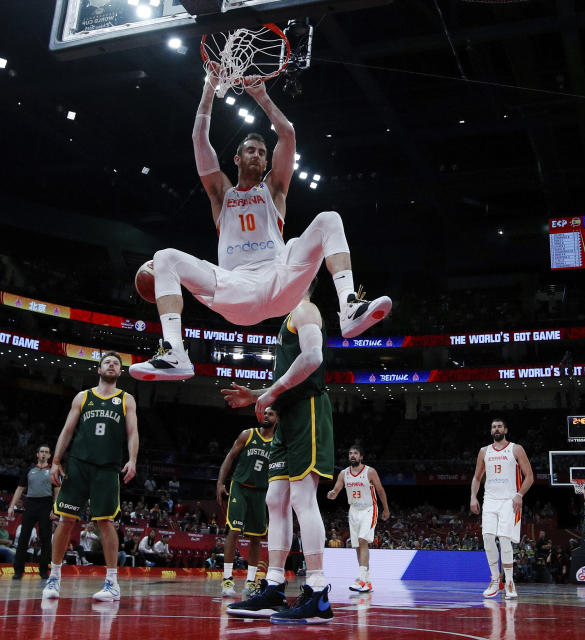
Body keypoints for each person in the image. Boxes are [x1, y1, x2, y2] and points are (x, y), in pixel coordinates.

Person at [128, 72, 391, 383]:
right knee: (165, 256)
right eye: (250, 151)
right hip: (237, 288)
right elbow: (200, 139)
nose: (257, 155)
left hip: (280, 281)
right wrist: (209, 88)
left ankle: (348, 308)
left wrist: (262, 98)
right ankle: (174, 352)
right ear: (237, 159)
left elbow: (288, 135)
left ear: (267, 163)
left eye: (262, 153)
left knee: (328, 219)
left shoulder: (274, 190)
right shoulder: (220, 194)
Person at [222, 279, 335, 624]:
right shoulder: (289, 316)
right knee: (276, 499)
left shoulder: (305, 309)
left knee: (303, 498)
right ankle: (273, 587)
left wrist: (269, 393)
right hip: (288, 415)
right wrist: (259, 393)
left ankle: (317, 592)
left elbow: (313, 358)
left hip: (308, 411)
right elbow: (288, 379)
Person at [42, 352, 139, 602]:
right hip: (78, 464)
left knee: (106, 523)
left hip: (107, 467)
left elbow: (132, 433)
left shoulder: (126, 399)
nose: (111, 365)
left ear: (120, 372)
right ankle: (54, 577)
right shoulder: (83, 397)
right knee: (65, 520)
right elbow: (67, 430)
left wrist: (132, 459)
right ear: (99, 369)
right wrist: (55, 461)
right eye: (107, 362)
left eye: (116, 364)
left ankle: (112, 583)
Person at [469, 418, 534, 599]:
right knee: (488, 537)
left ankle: (510, 582)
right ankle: (495, 580)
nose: (496, 429)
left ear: (505, 429)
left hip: (509, 499)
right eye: (493, 427)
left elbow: (529, 476)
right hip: (490, 499)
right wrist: (473, 497)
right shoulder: (484, 451)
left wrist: (519, 495)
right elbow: (476, 478)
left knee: (505, 540)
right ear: (491, 431)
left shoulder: (516, 449)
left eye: (499, 426)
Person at [216, 407, 277, 597]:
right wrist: (220, 483)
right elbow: (230, 457)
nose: (266, 416)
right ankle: (227, 579)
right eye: (265, 413)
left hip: (261, 492)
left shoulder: (277, 443)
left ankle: (251, 581)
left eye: (271, 414)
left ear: (277, 420)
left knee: (256, 537)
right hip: (240, 487)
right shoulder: (248, 434)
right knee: (234, 530)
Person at [326, 443, 390, 593]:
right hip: (353, 510)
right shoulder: (344, 473)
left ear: (361, 456)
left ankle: (361, 580)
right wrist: (332, 494)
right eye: (350, 453)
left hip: (369, 508)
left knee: (363, 540)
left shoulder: (370, 471)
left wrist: (386, 509)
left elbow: (380, 491)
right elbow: (336, 489)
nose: (352, 456)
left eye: (355, 453)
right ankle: (367, 581)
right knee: (356, 546)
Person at [8, 444, 55, 580]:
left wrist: (55, 509)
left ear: (50, 456)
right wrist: (11, 506)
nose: (44, 454)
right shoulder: (29, 470)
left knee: (46, 539)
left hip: (46, 504)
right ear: (37, 454)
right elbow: (19, 488)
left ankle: (43, 571)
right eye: (42, 451)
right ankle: (18, 571)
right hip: (31, 503)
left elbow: (57, 490)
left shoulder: (52, 471)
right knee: (23, 537)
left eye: (47, 452)